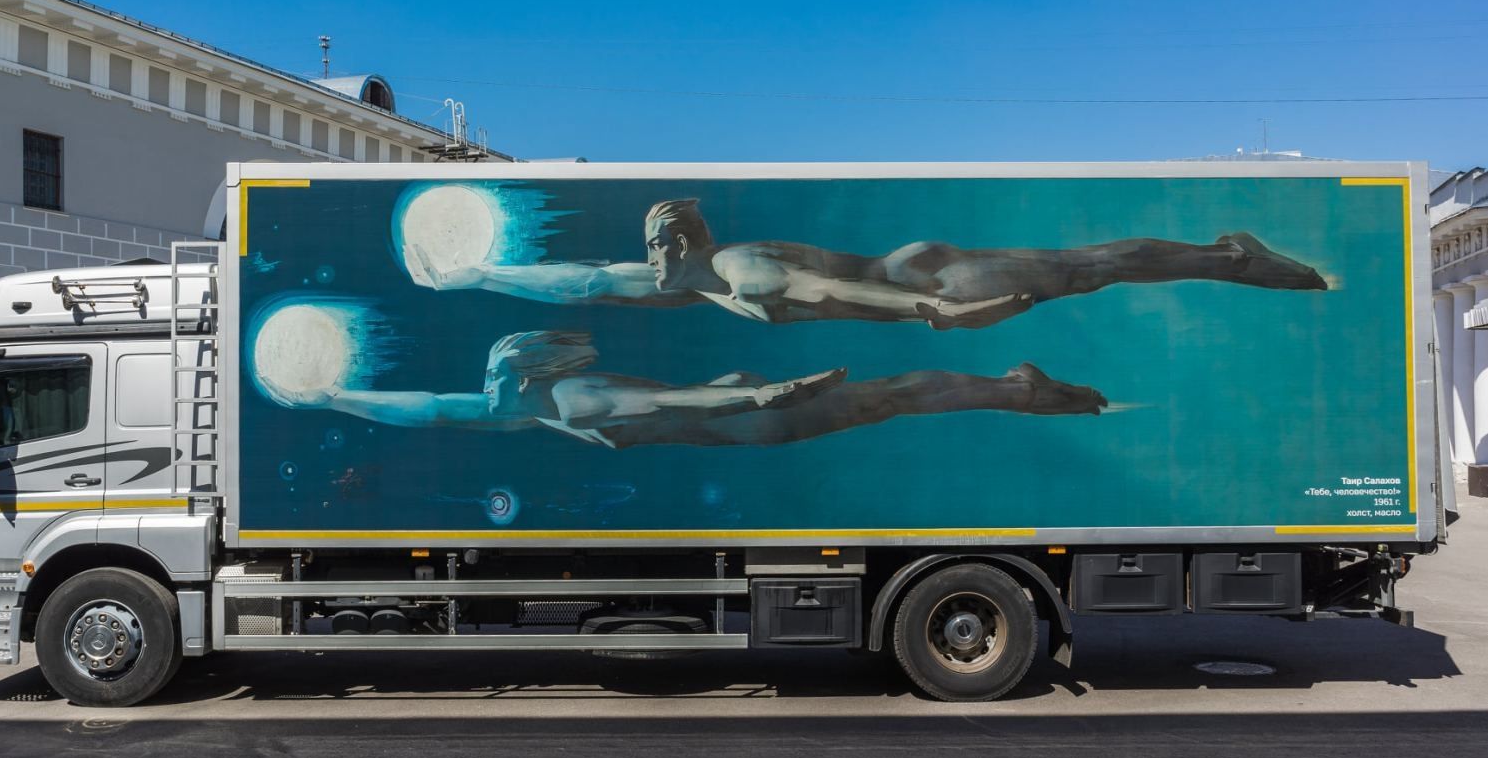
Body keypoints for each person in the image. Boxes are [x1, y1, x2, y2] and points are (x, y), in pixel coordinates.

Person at [407, 198, 1327, 330]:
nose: (642, 262)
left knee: (1092, 265)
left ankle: (1227, 257)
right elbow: (577, 278)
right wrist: (478, 276)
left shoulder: (739, 274)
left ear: (684, 241)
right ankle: (1220, 256)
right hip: (907, 277)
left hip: (929, 282)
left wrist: (935, 317)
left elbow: (828, 289)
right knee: (1087, 265)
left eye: (656, 245)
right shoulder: (676, 279)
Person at [280, 330, 1107, 449]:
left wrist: (331, 397)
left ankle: (1023, 390)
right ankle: (1024, 392)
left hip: (742, 409)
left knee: (898, 390)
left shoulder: (529, 407)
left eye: (500, 370)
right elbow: (677, 405)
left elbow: (421, 406)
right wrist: (758, 395)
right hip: (755, 416)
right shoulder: (565, 404)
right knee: (896, 391)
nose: (485, 383)